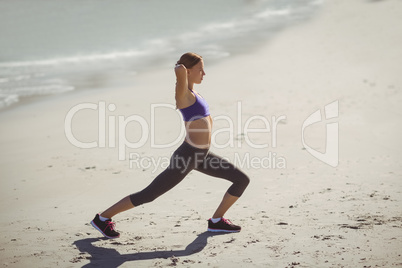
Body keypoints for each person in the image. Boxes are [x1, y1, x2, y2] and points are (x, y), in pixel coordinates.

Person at [90, 52, 250, 239]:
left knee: (241, 180)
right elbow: (178, 70)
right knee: (148, 195)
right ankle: (103, 218)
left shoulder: (194, 93)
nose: (204, 74)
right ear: (188, 71)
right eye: (200, 70)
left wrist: (187, 72)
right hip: (187, 157)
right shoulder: (183, 96)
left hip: (202, 156)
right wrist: (181, 70)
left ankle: (216, 221)